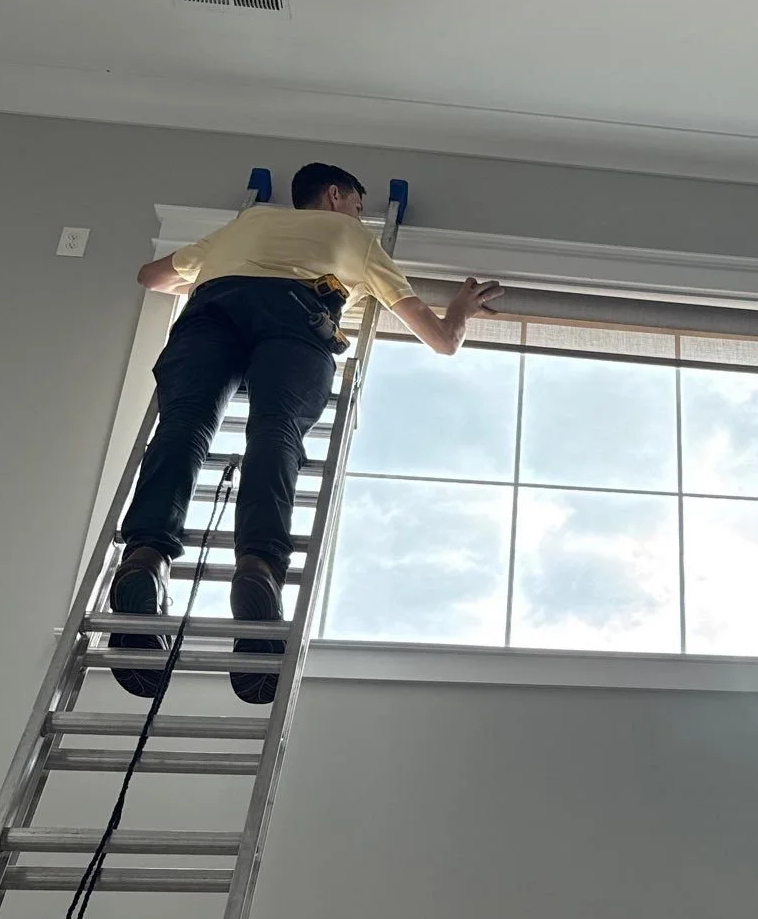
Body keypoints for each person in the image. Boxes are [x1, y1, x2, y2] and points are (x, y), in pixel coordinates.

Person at [113, 162, 502, 703]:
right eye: (358, 206)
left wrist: (212, 274)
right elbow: (441, 340)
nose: (358, 215)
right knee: (276, 434)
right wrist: (458, 310)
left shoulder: (247, 224)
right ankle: (259, 566)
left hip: (211, 310)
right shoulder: (352, 237)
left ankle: (146, 558)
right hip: (296, 317)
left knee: (184, 425)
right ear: (335, 195)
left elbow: (150, 277)